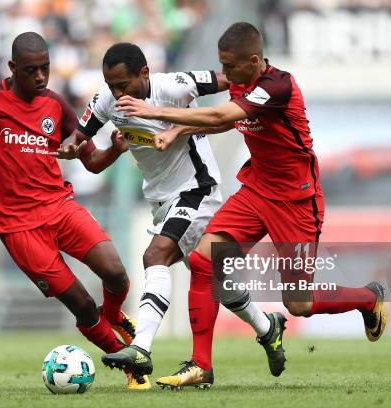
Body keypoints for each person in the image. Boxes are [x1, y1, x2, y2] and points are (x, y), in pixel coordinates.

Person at [115, 22, 386, 389]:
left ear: (254, 60)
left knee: (299, 304)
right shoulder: (243, 81)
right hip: (256, 190)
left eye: (229, 66)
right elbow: (227, 123)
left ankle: (367, 298)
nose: (224, 74)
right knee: (203, 260)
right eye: (221, 65)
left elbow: (220, 116)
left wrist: (152, 113)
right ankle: (201, 365)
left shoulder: (278, 86)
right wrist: (181, 131)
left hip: (295, 201)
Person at [57, 42, 287, 390]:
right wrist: (73, 145)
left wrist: (259, 92)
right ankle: (269, 329)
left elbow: (229, 79)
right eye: (111, 85)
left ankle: (141, 348)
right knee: (213, 278)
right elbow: (81, 134)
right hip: (161, 199)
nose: (117, 93)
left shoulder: (175, 86)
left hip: (198, 189)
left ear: (145, 74)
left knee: (155, 256)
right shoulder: (105, 100)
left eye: (124, 85)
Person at [0, 32, 143, 389]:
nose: (40, 77)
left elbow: (93, 163)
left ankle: (115, 315)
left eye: (45, 69)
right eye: (31, 70)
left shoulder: (55, 105)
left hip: (60, 207)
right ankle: (129, 363)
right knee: (84, 306)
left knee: (116, 272)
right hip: (19, 228)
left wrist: (116, 150)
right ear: (12, 68)